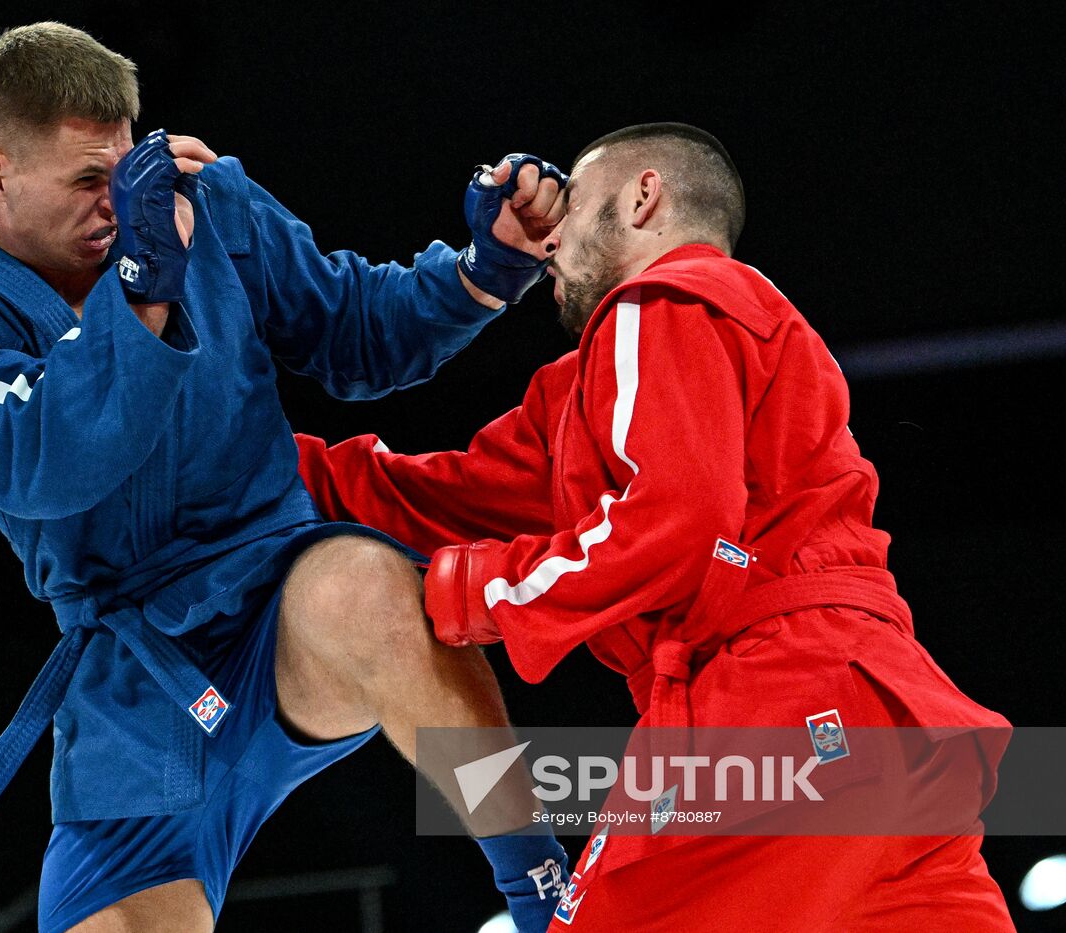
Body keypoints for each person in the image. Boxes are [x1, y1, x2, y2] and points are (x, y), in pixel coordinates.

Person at [0, 21, 573, 933]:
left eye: (122, 174)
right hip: (133, 684)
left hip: (279, 596)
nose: (117, 205)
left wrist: (483, 271)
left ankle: (548, 898)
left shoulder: (201, 206)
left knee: (368, 581)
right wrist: (143, 285)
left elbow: (352, 329)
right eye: (87, 182)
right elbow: (46, 459)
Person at [297, 122, 1016, 930]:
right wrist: (249, 461)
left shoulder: (665, 299)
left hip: (777, 698)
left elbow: (675, 526)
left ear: (643, 198)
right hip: (888, 718)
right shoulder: (595, 390)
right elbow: (436, 499)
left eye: (572, 203)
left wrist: (470, 592)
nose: (554, 232)